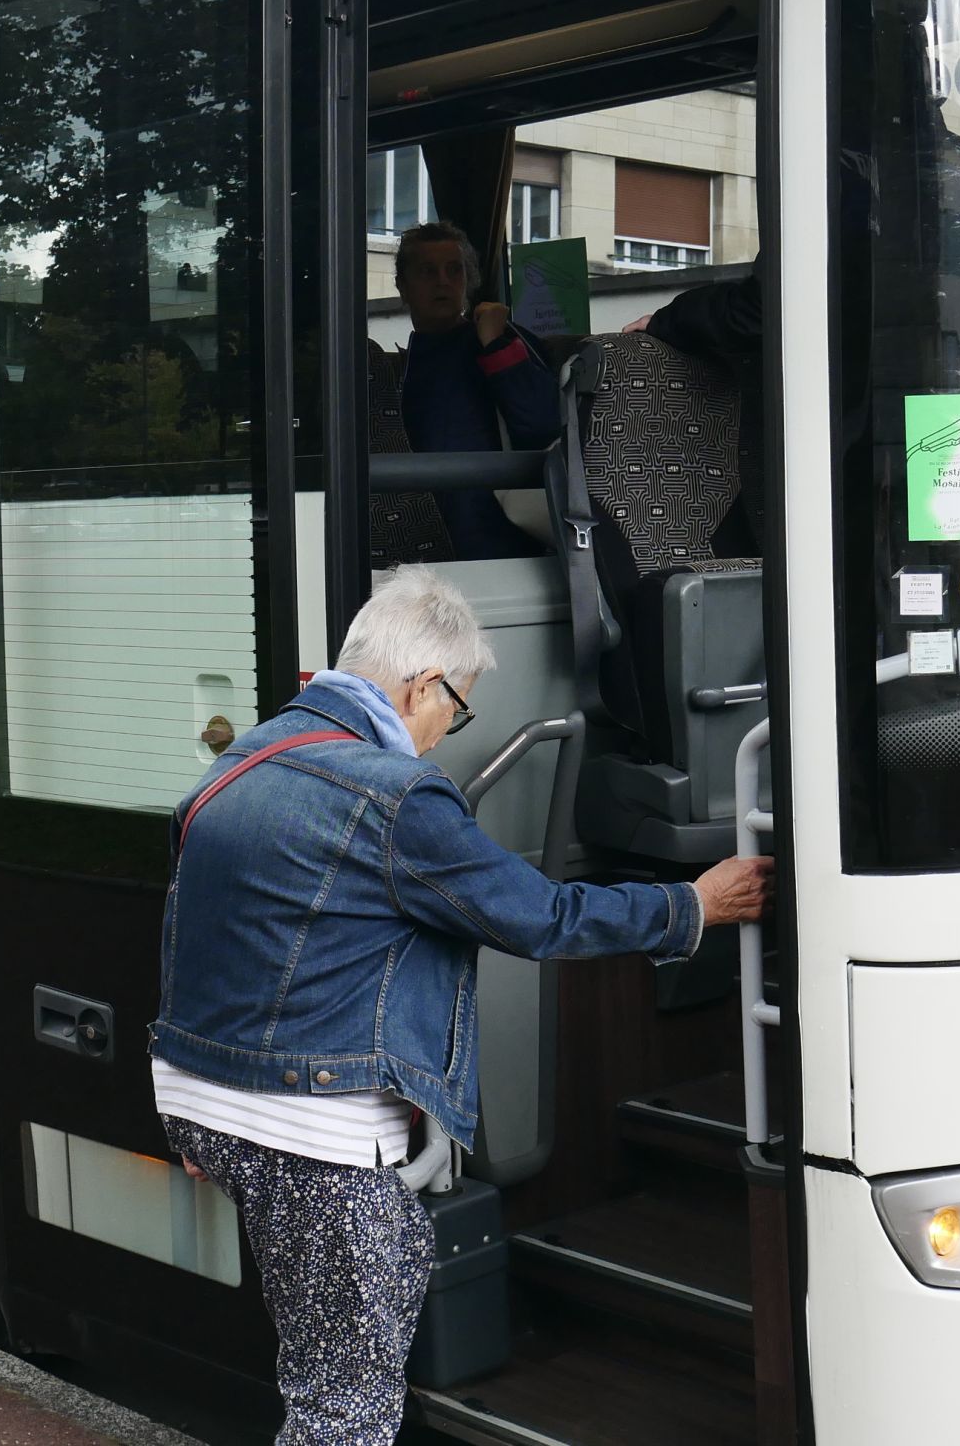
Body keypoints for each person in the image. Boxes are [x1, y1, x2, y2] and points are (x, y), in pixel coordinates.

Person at [149, 566, 771, 1444]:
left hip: (199, 1092)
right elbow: (540, 917)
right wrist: (693, 906)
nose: (446, 733)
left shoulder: (238, 764)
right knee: (345, 1411)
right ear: (419, 685)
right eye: (458, 706)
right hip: (308, 1124)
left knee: (334, 1342)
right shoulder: (400, 797)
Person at [393, 220, 559, 559]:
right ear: (403, 286)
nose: (443, 281)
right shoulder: (395, 369)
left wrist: (495, 344)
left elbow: (547, 424)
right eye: (427, 271)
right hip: (422, 546)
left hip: (502, 545)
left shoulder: (502, 340)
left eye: (454, 271)